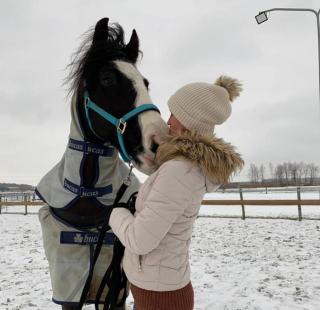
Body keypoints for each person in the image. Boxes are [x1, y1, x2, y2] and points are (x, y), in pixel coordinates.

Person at [109, 75, 244, 310]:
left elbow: (139, 240)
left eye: (174, 114)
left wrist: (116, 213)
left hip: (160, 297)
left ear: (190, 121)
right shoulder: (183, 167)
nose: (167, 121)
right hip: (160, 288)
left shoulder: (178, 171)